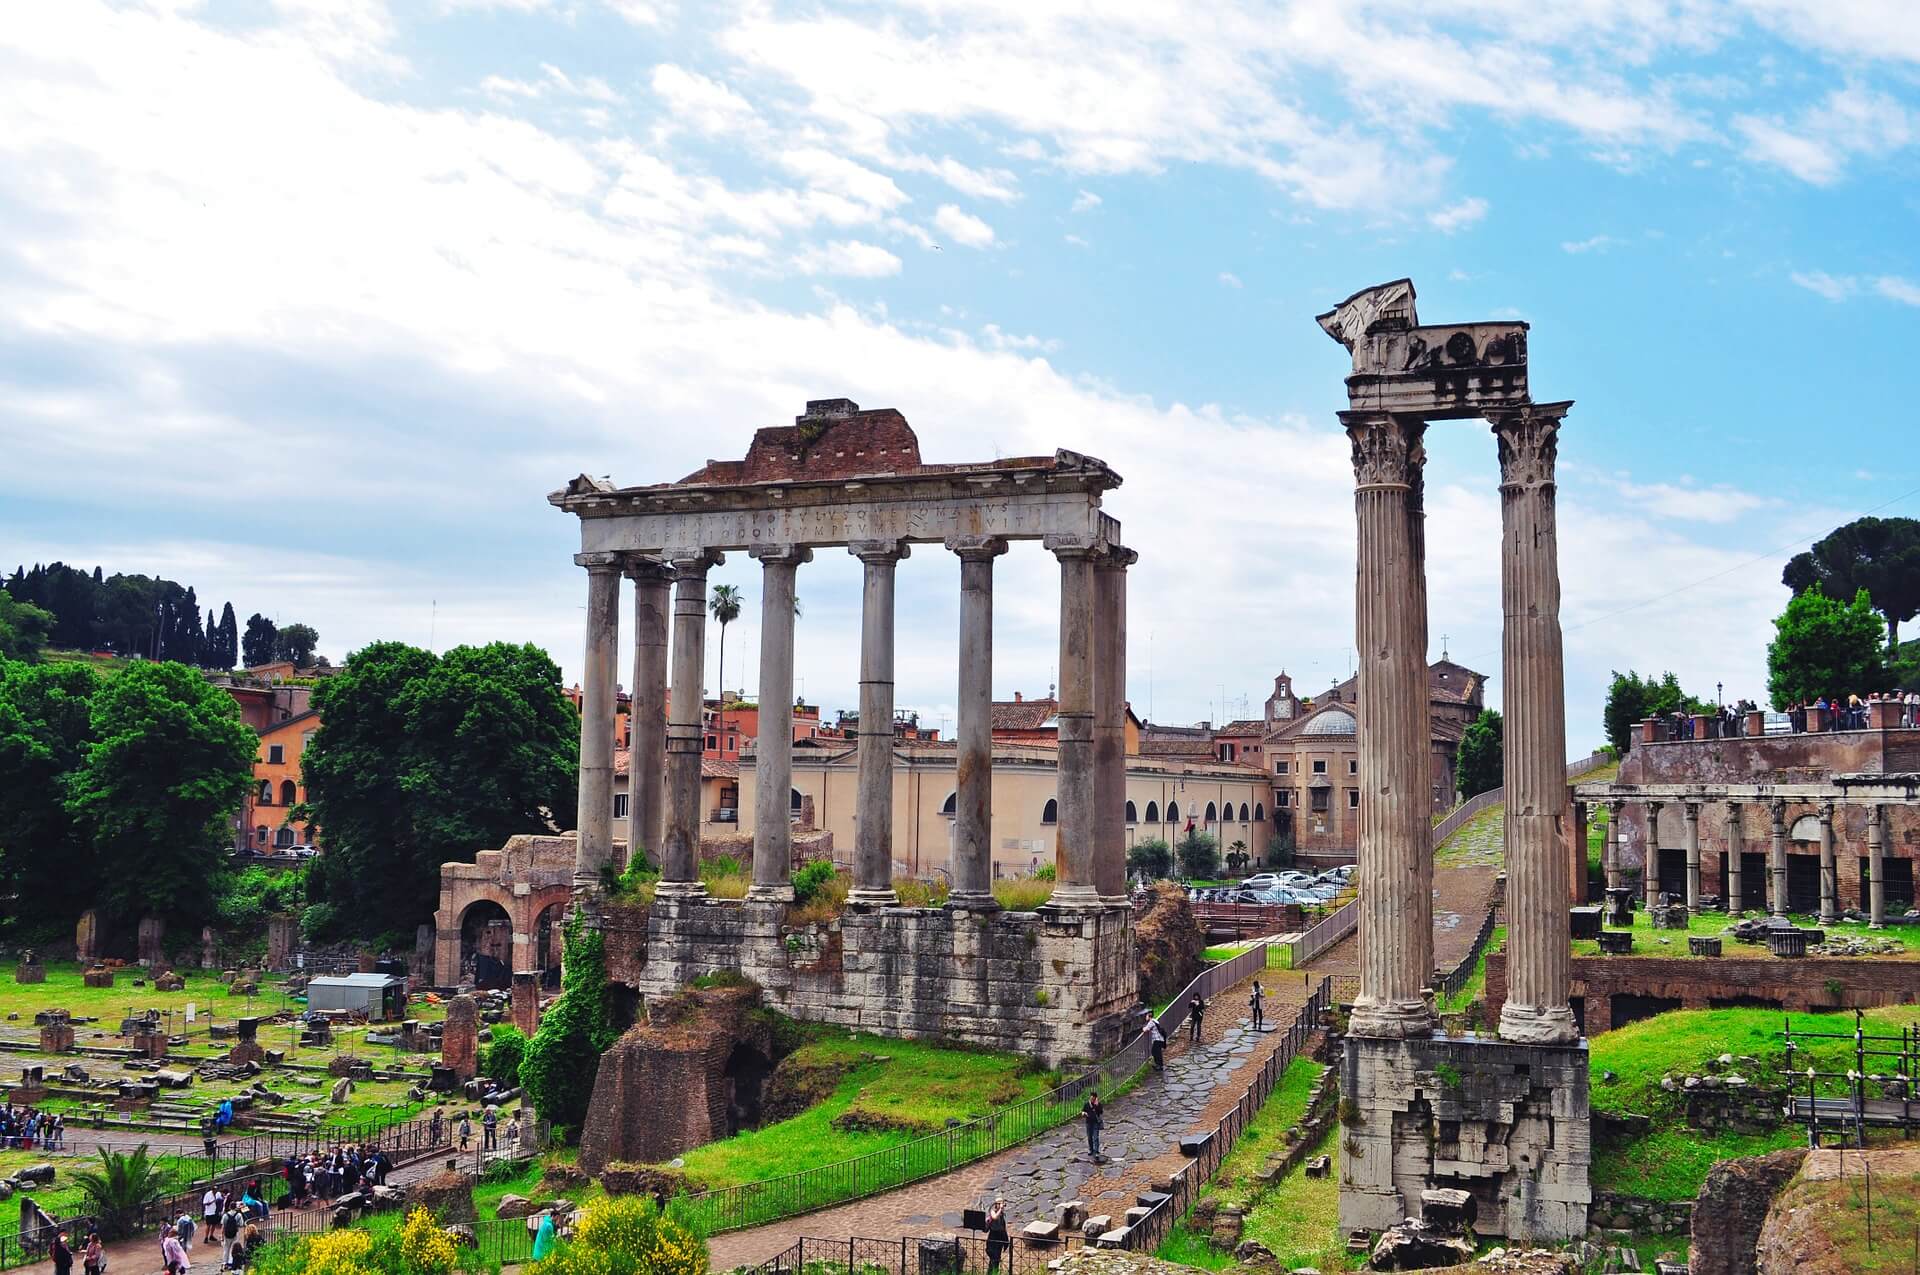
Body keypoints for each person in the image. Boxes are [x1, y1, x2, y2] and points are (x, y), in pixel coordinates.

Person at [983, 1197, 1010, 1274]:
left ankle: (994, 1272)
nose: (1002, 1206)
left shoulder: (1001, 1214)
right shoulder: (992, 1211)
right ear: (996, 1204)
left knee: (997, 1258)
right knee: (993, 1257)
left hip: (1000, 1237)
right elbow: (994, 1217)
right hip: (993, 1237)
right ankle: (991, 1272)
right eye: (1000, 1204)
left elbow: (1003, 1227)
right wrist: (1000, 1209)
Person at [1080, 1090, 1105, 1161]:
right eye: (1091, 1098)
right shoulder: (1087, 1104)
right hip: (1088, 1123)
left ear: (1095, 1098)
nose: (1092, 1099)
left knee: (1096, 1137)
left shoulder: (1098, 1104)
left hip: (1096, 1123)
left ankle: (1096, 1151)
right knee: (1089, 1137)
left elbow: (1101, 1112)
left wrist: (1097, 1105)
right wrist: (1084, 1113)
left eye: (1093, 1098)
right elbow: (1083, 1110)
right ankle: (1091, 1149)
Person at [220, 1206, 242, 1271]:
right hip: (235, 1234)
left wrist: (222, 1236)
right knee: (233, 1248)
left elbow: (223, 1226)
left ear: (229, 1207)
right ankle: (231, 1262)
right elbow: (241, 1224)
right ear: (235, 1207)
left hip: (227, 1234)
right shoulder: (238, 1215)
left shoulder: (225, 1215)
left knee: (226, 1249)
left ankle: (225, 1263)